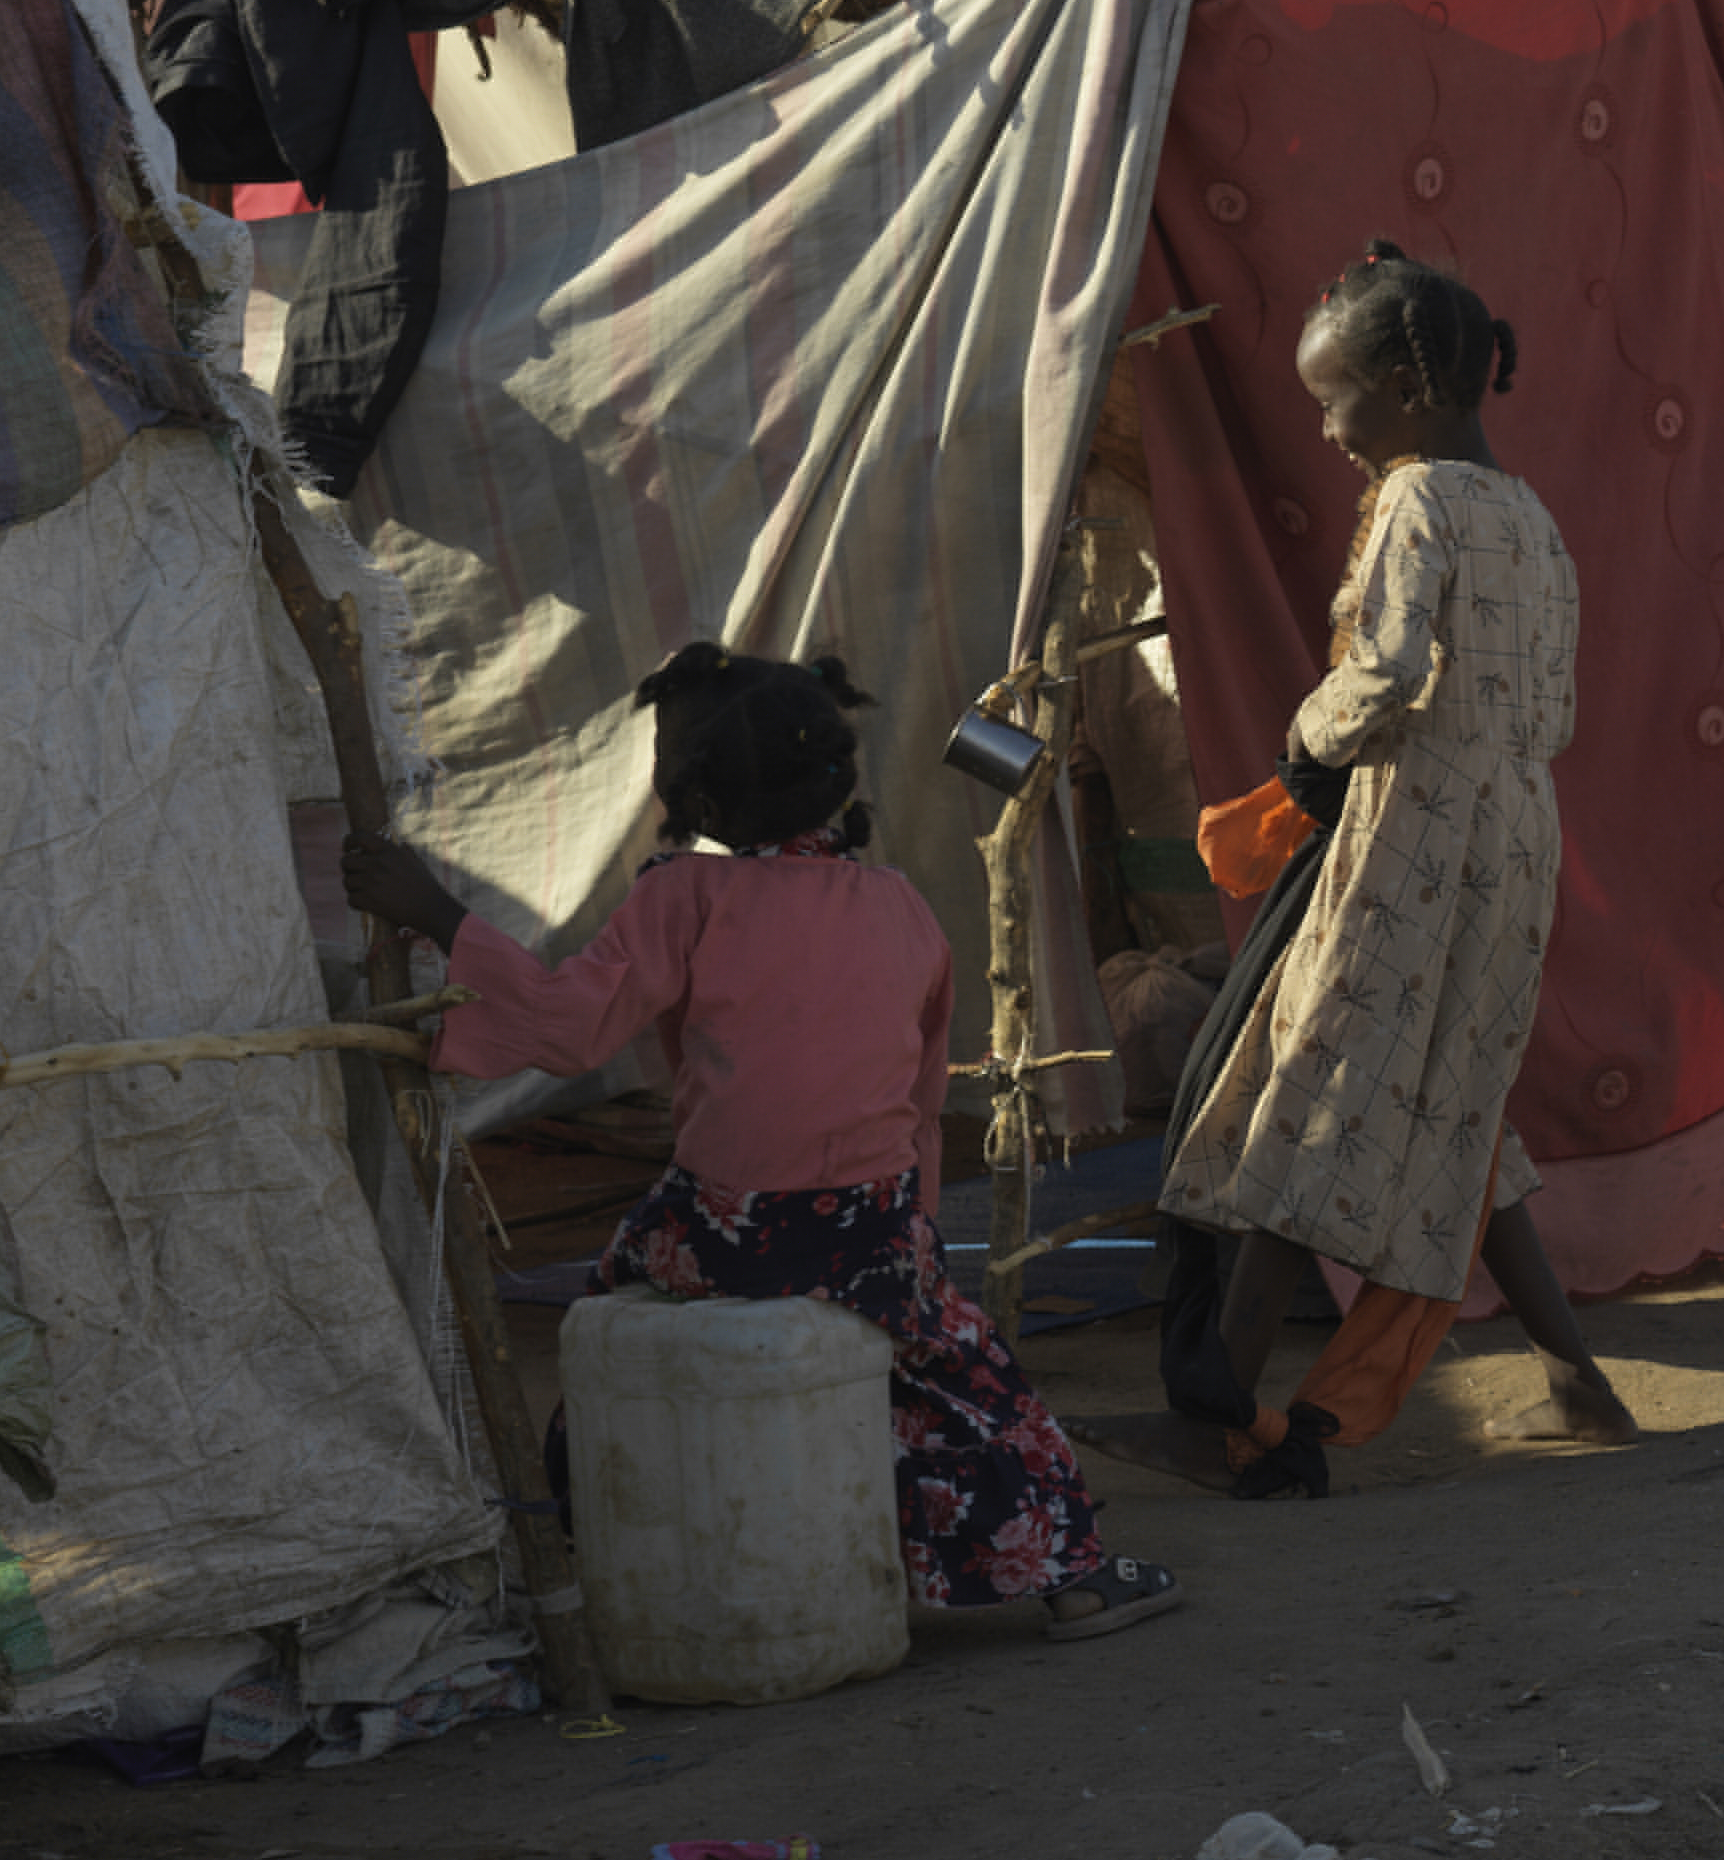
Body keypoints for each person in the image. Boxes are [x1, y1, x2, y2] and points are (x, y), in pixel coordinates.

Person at [340, 650, 1178, 1640]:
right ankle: (1068, 1578)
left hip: (721, 1229)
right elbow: (913, 1103)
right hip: (869, 1224)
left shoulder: (680, 898)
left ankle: (570, 1535)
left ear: (693, 791)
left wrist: (434, 909)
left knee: (615, 1312)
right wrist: (904, 1239)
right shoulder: (900, 905)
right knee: (970, 1383)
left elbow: (566, 1028)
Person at [1161, 246, 1632, 1492]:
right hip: (1517, 830)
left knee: (1319, 1077)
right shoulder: (1530, 514)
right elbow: (1560, 705)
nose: (1324, 428)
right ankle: (1580, 1382)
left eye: (1335, 400)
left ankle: (1220, 1405)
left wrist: (1305, 739)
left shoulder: (1417, 495)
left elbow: (1387, 668)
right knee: (1455, 1100)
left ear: (1407, 393)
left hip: (1412, 828)